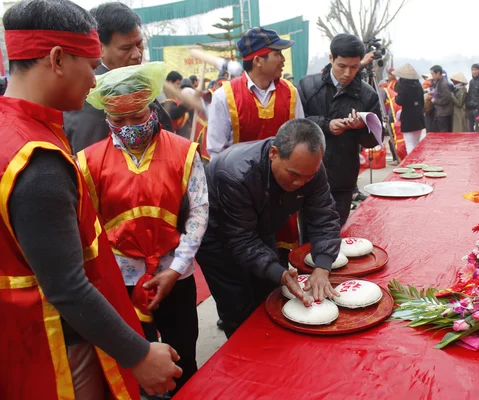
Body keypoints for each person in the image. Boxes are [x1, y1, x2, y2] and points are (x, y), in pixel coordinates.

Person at [0, 1, 182, 398]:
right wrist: (138, 355)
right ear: (58, 59)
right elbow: (66, 285)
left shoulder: (13, 128)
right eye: (92, 65)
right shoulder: (38, 162)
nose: (96, 82)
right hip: (53, 342)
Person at [77, 62, 207, 394]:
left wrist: (176, 268)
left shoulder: (182, 152)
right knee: (134, 361)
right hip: (121, 280)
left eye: (137, 117)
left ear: (151, 108)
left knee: (183, 358)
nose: (129, 127)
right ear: (106, 117)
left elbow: (198, 213)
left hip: (174, 273)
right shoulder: (88, 161)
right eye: (118, 120)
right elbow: (87, 227)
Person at [196, 119, 341, 338]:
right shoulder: (236, 174)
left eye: (308, 176)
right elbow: (241, 240)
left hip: (259, 226)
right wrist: (280, 273)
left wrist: (322, 265)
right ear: (273, 153)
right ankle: (243, 358)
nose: (300, 183)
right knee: (238, 306)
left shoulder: (311, 168)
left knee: (270, 295)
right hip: (218, 238)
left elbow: (324, 216)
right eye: (293, 175)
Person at [63, 1, 172, 153]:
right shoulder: (91, 95)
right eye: (126, 48)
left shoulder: (136, 81)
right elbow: (91, 162)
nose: (137, 54)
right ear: (99, 48)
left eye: (139, 43)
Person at [298, 33, 381, 225]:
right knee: (308, 234)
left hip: (343, 177)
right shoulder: (308, 86)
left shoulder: (367, 95)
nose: (347, 73)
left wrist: (362, 127)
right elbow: (296, 125)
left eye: (354, 67)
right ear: (331, 59)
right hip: (308, 173)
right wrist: (327, 126)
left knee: (337, 230)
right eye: (341, 66)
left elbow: (374, 140)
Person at [206, 27, 304, 157]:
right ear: (258, 61)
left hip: (281, 176)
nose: (283, 59)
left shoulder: (290, 93)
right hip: (239, 175)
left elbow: (299, 139)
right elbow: (216, 153)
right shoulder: (224, 96)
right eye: (277, 54)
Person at [394, 63, 425, 154]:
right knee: (416, 144)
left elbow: (399, 101)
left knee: (409, 144)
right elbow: (422, 102)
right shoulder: (418, 85)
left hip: (408, 117)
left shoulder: (402, 85)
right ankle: (416, 162)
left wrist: (396, 97)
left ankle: (411, 164)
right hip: (418, 117)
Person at [428, 64, 453, 132]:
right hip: (439, 112)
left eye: (432, 74)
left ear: (438, 73)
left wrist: (435, 101)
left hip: (444, 113)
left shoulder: (444, 83)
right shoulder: (438, 81)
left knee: (443, 133)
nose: (432, 76)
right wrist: (434, 93)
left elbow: (446, 99)